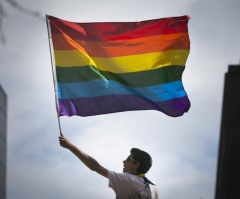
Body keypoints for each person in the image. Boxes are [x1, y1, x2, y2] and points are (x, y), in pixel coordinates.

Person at [59, 135, 159, 199]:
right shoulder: (153, 187)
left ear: (136, 165)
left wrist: (69, 145)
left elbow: (94, 166)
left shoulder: (126, 180)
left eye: (128, 159)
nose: (124, 161)